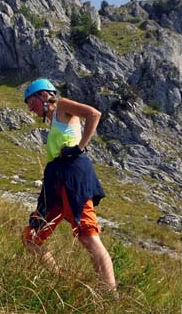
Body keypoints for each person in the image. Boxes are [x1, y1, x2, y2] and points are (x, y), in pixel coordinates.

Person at [21, 78, 117, 293]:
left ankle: (110, 295)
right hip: (56, 179)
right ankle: (59, 281)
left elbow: (94, 114)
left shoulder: (62, 107)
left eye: (31, 102)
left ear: (44, 95)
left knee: (88, 236)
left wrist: (79, 147)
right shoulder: (53, 120)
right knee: (31, 237)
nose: (30, 109)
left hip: (73, 175)